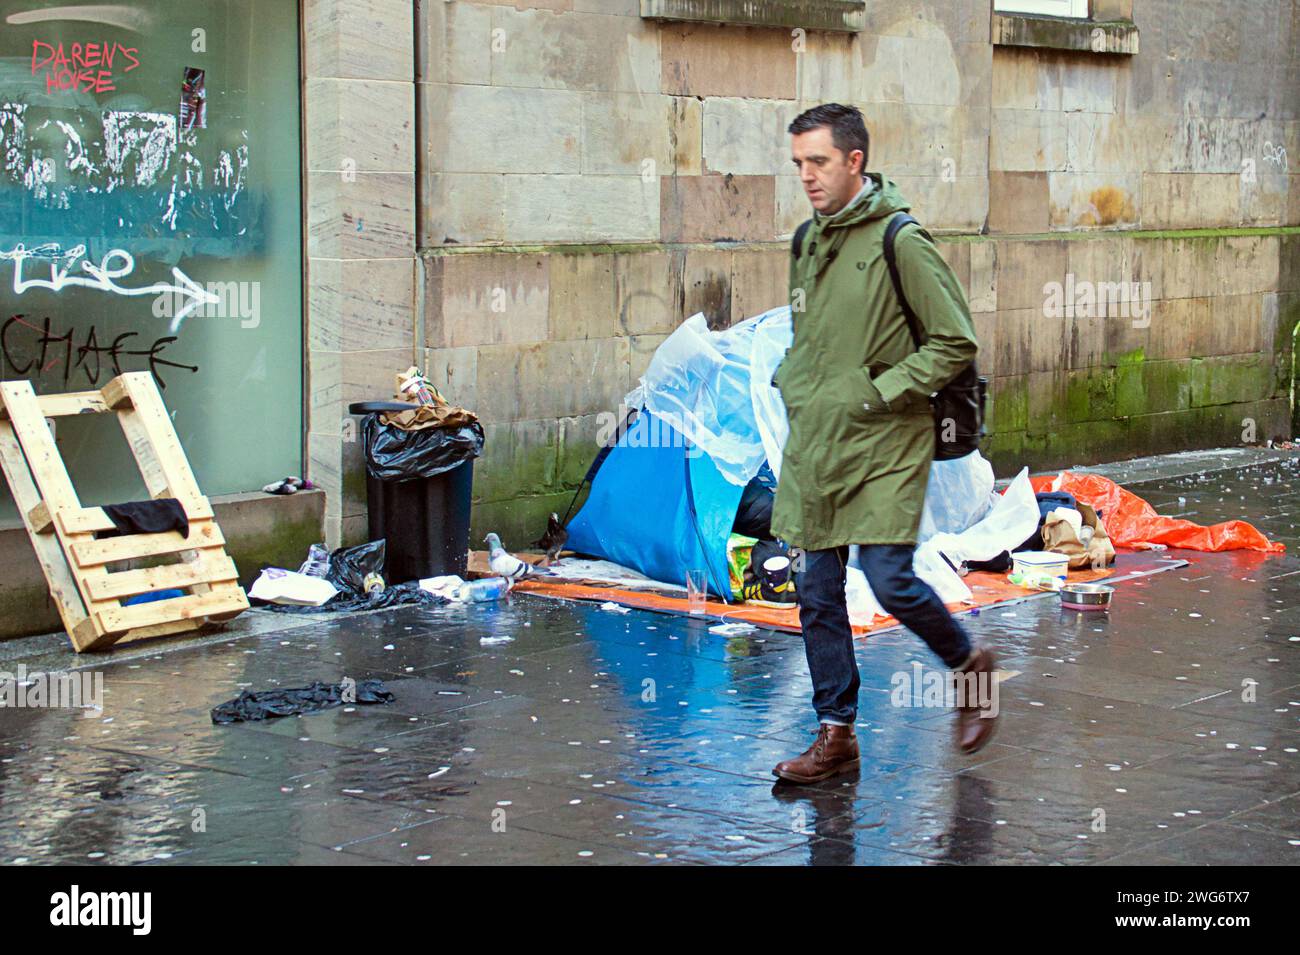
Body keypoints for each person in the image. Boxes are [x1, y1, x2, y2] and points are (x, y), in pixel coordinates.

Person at [769, 103, 999, 784]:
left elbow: (955, 339)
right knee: (815, 588)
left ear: (854, 162)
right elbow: (810, 331)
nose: (806, 176)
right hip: (819, 439)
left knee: (889, 576)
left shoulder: (902, 239)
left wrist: (880, 390)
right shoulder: (807, 241)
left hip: (887, 437)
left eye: (818, 162)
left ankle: (970, 667)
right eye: (798, 164)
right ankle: (835, 734)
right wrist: (796, 382)